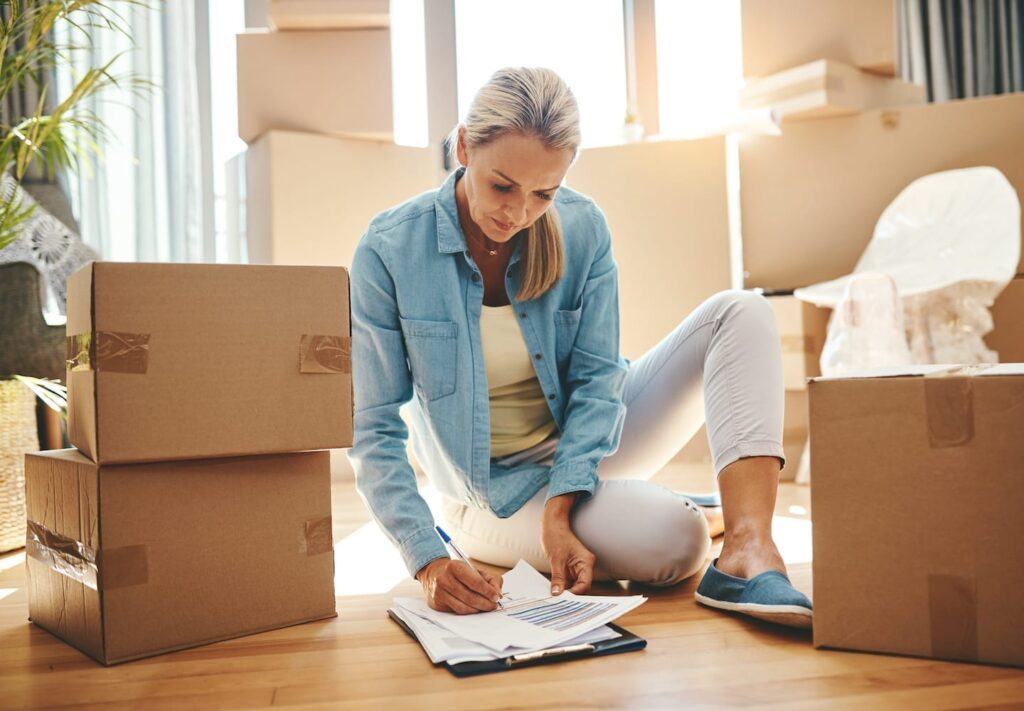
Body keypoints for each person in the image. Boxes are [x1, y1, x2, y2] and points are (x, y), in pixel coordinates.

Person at [350, 67, 813, 628]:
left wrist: (563, 503)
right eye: (502, 186)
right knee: (676, 542)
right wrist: (426, 558)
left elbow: (598, 379)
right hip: (489, 493)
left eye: (543, 193)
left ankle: (747, 551)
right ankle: (692, 512)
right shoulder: (390, 248)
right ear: (465, 147)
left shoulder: (583, 226)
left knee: (742, 312)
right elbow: (373, 428)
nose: (517, 213)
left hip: (586, 445)